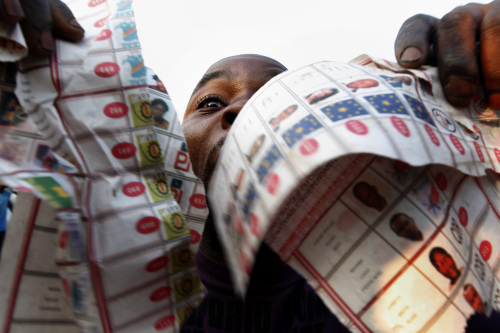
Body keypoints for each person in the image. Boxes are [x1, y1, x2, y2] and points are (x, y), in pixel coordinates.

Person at [3, 0, 500, 331]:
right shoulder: (90, 267)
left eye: (279, 98)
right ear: (180, 152)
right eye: (211, 102)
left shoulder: (441, 301)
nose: (241, 111)